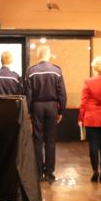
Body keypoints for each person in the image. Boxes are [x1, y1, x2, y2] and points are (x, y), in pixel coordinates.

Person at [26, 44, 67, 182]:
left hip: (37, 106)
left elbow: (28, 94)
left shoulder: (31, 71)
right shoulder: (57, 70)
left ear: (38, 55)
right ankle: (49, 172)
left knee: (37, 139)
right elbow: (62, 93)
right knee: (50, 139)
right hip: (52, 106)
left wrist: (29, 111)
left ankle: (38, 172)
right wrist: (61, 111)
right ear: (48, 55)